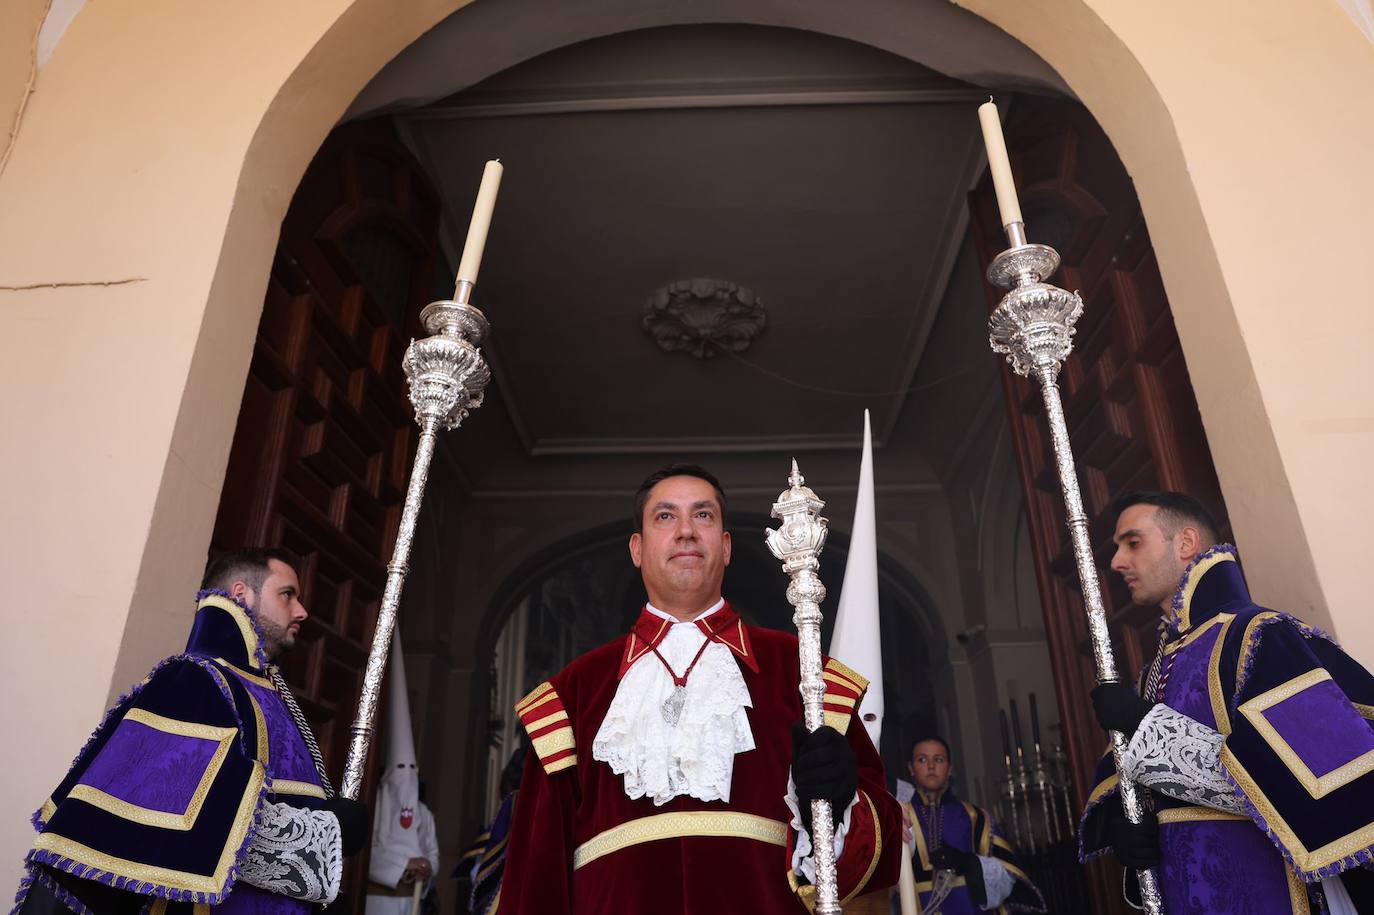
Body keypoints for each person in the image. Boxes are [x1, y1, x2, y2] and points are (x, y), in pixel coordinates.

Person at [497, 464, 902, 913]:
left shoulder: (806, 676)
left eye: (704, 516)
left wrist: (839, 803)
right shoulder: (571, 696)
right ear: (637, 548)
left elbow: (873, 865)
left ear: (725, 547)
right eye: (665, 517)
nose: (686, 531)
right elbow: (535, 877)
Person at [15, 548, 370, 914]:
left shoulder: (267, 692)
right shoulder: (196, 681)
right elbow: (181, 825)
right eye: (287, 594)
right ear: (240, 594)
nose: (301, 611)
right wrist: (325, 834)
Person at [1081, 491, 1374, 913]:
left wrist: (1148, 727)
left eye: (1133, 542)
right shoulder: (1151, 672)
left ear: (1185, 543)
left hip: (1271, 890)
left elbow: (1309, 788)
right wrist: (1130, 830)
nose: (1117, 563)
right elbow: (1127, 791)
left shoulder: (1257, 635)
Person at [899, 736, 1044, 913]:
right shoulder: (899, 817)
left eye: (939, 760)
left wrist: (968, 862)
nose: (931, 766)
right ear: (911, 769)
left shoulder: (975, 817)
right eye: (922, 760)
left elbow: (1007, 876)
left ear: (949, 768)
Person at [367, 632, 440, 914]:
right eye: (401, 768)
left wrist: (427, 867)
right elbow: (366, 853)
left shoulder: (424, 813)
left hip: (413, 898)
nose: (406, 775)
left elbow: (432, 851)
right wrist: (403, 865)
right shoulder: (377, 805)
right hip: (378, 901)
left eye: (411, 769)